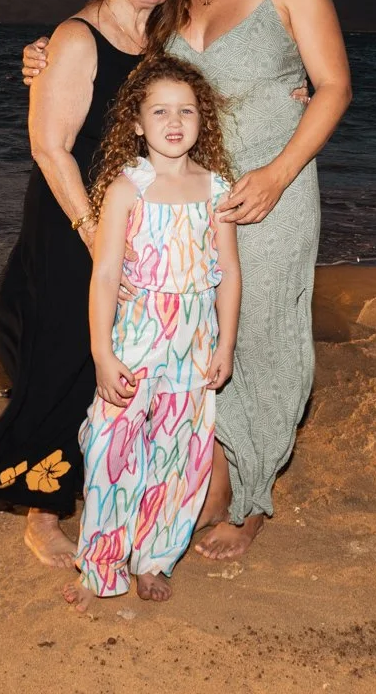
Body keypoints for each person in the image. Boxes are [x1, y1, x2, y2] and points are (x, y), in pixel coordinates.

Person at [23, 0, 352, 560]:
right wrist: (49, 51)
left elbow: (334, 88)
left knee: (259, 337)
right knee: (189, 336)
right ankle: (195, 466)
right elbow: (114, 25)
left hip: (270, 194)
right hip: (180, 203)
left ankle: (253, 493)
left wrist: (278, 171)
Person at [0, 0, 196, 569]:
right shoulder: (76, 38)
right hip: (73, 225)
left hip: (131, 222)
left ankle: (105, 484)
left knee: (118, 360)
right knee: (67, 356)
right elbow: (50, 146)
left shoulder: (159, 45)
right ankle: (43, 514)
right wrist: (95, 234)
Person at [66, 55, 240, 609]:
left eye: (186, 110)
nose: (173, 121)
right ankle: (100, 561)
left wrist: (226, 344)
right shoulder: (126, 188)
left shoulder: (217, 189)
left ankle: (154, 558)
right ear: (136, 123)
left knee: (178, 450)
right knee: (112, 447)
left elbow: (229, 273)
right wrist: (101, 352)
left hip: (193, 343)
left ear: (201, 120)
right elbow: (106, 274)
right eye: (159, 110)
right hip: (136, 337)